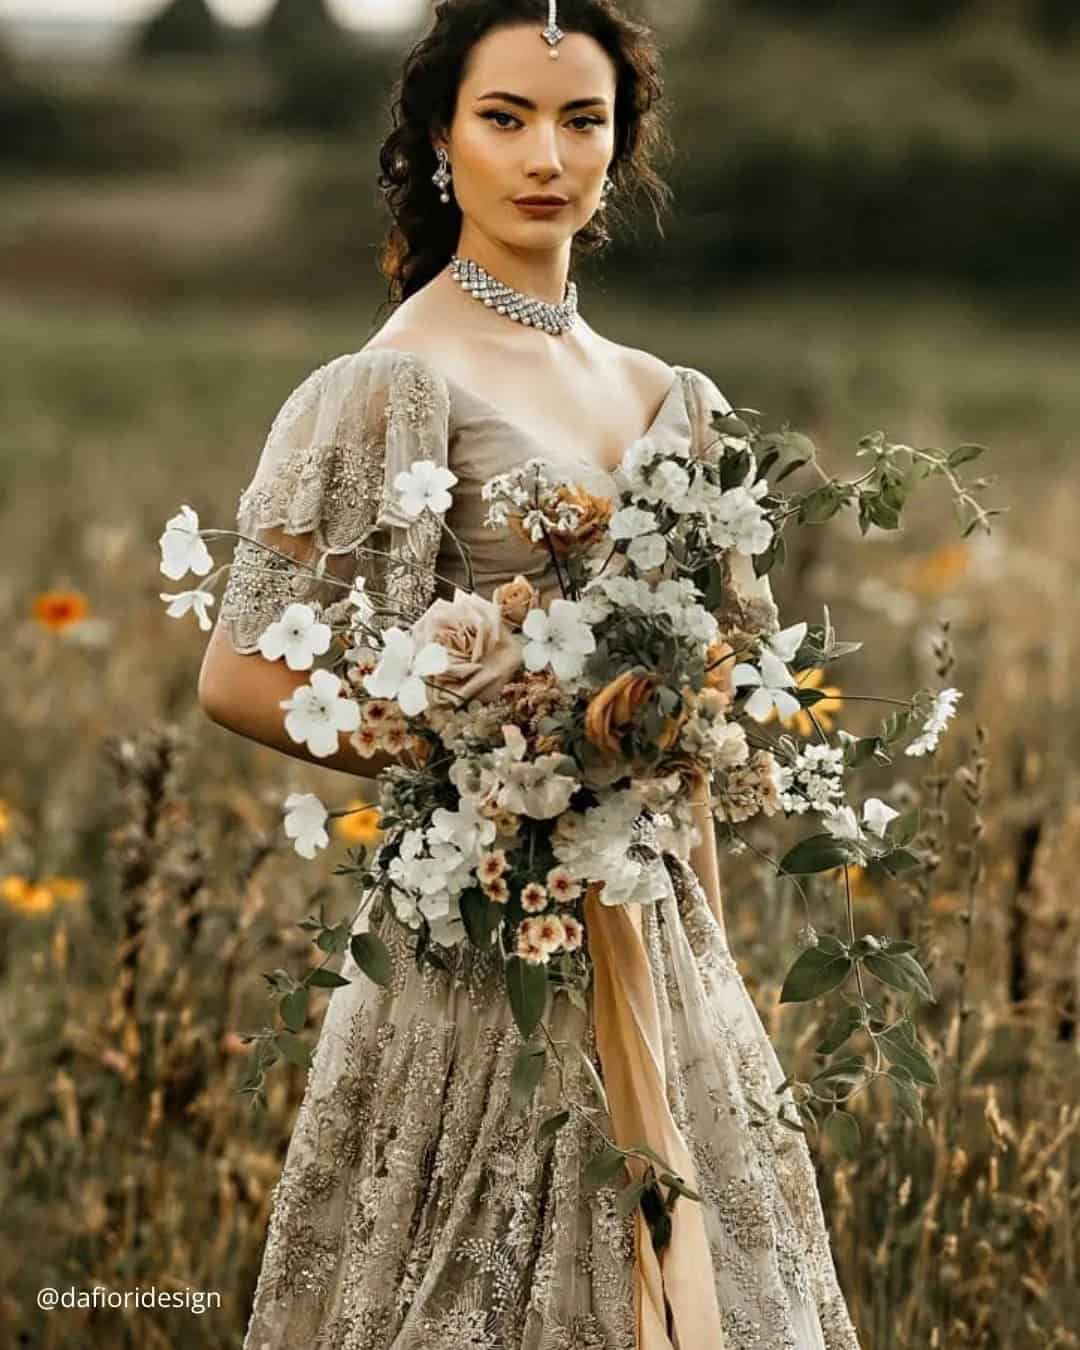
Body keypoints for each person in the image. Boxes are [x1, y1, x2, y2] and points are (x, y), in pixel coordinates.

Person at [197, 2, 863, 1346]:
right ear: (442, 141)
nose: (545, 153)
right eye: (505, 119)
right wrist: (489, 762)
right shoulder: (384, 387)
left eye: (582, 120)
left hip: (659, 926)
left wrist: (714, 964)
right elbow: (236, 673)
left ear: (622, 146)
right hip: (480, 945)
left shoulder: (677, 394)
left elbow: (693, 719)